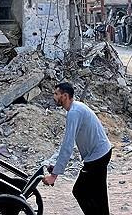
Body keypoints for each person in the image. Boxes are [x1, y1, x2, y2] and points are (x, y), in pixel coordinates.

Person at [43, 82, 112, 214]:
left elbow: (68, 146)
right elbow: (67, 144)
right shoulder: (76, 108)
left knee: (79, 191)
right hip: (103, 152)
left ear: (65, 96)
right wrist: (56, 166)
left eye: (56, 94)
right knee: (99, 194)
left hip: (97, 156)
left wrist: (54, 175)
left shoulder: (74, 112)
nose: (54, 97)